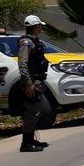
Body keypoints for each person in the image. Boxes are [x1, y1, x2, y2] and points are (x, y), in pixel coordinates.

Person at [18, 14, 50, 152]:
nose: (41, 28)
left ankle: (31, 140)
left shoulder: (34, 41)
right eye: (40, 26)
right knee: (32, 112)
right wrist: (28, 83)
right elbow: (22, 64)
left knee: (36, 111)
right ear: (35, 27)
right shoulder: (26, 43)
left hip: (38, 80)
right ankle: (26, 143)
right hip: (32, 82)